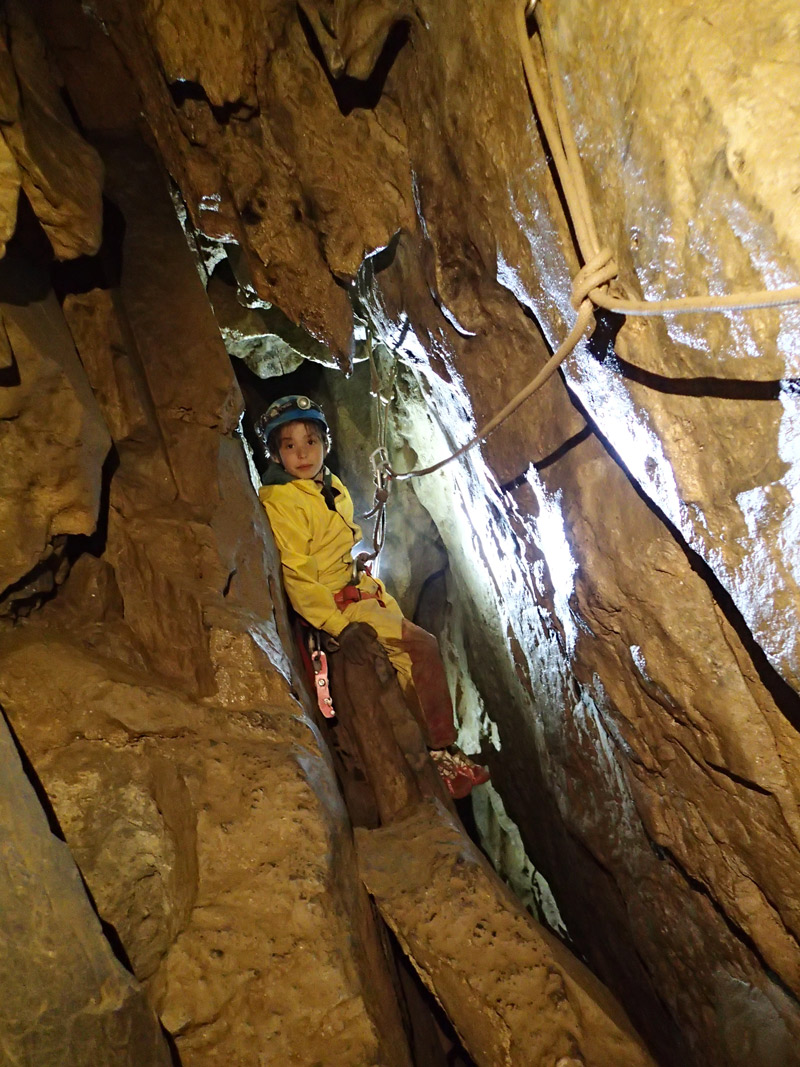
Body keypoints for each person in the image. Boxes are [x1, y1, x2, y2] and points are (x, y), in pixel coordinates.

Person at [256, 394, 490, 799]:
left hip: (359, 587)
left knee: (404, 663)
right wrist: (339, 627)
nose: (302, 453)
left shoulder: (328, 485)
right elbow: (298, 577)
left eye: (310, 441)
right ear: (276, 455)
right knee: (422, 648)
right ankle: (440, 749)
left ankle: (427, 743)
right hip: (339, 603)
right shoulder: (283, 502)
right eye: (290, 445)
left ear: (325, 445)